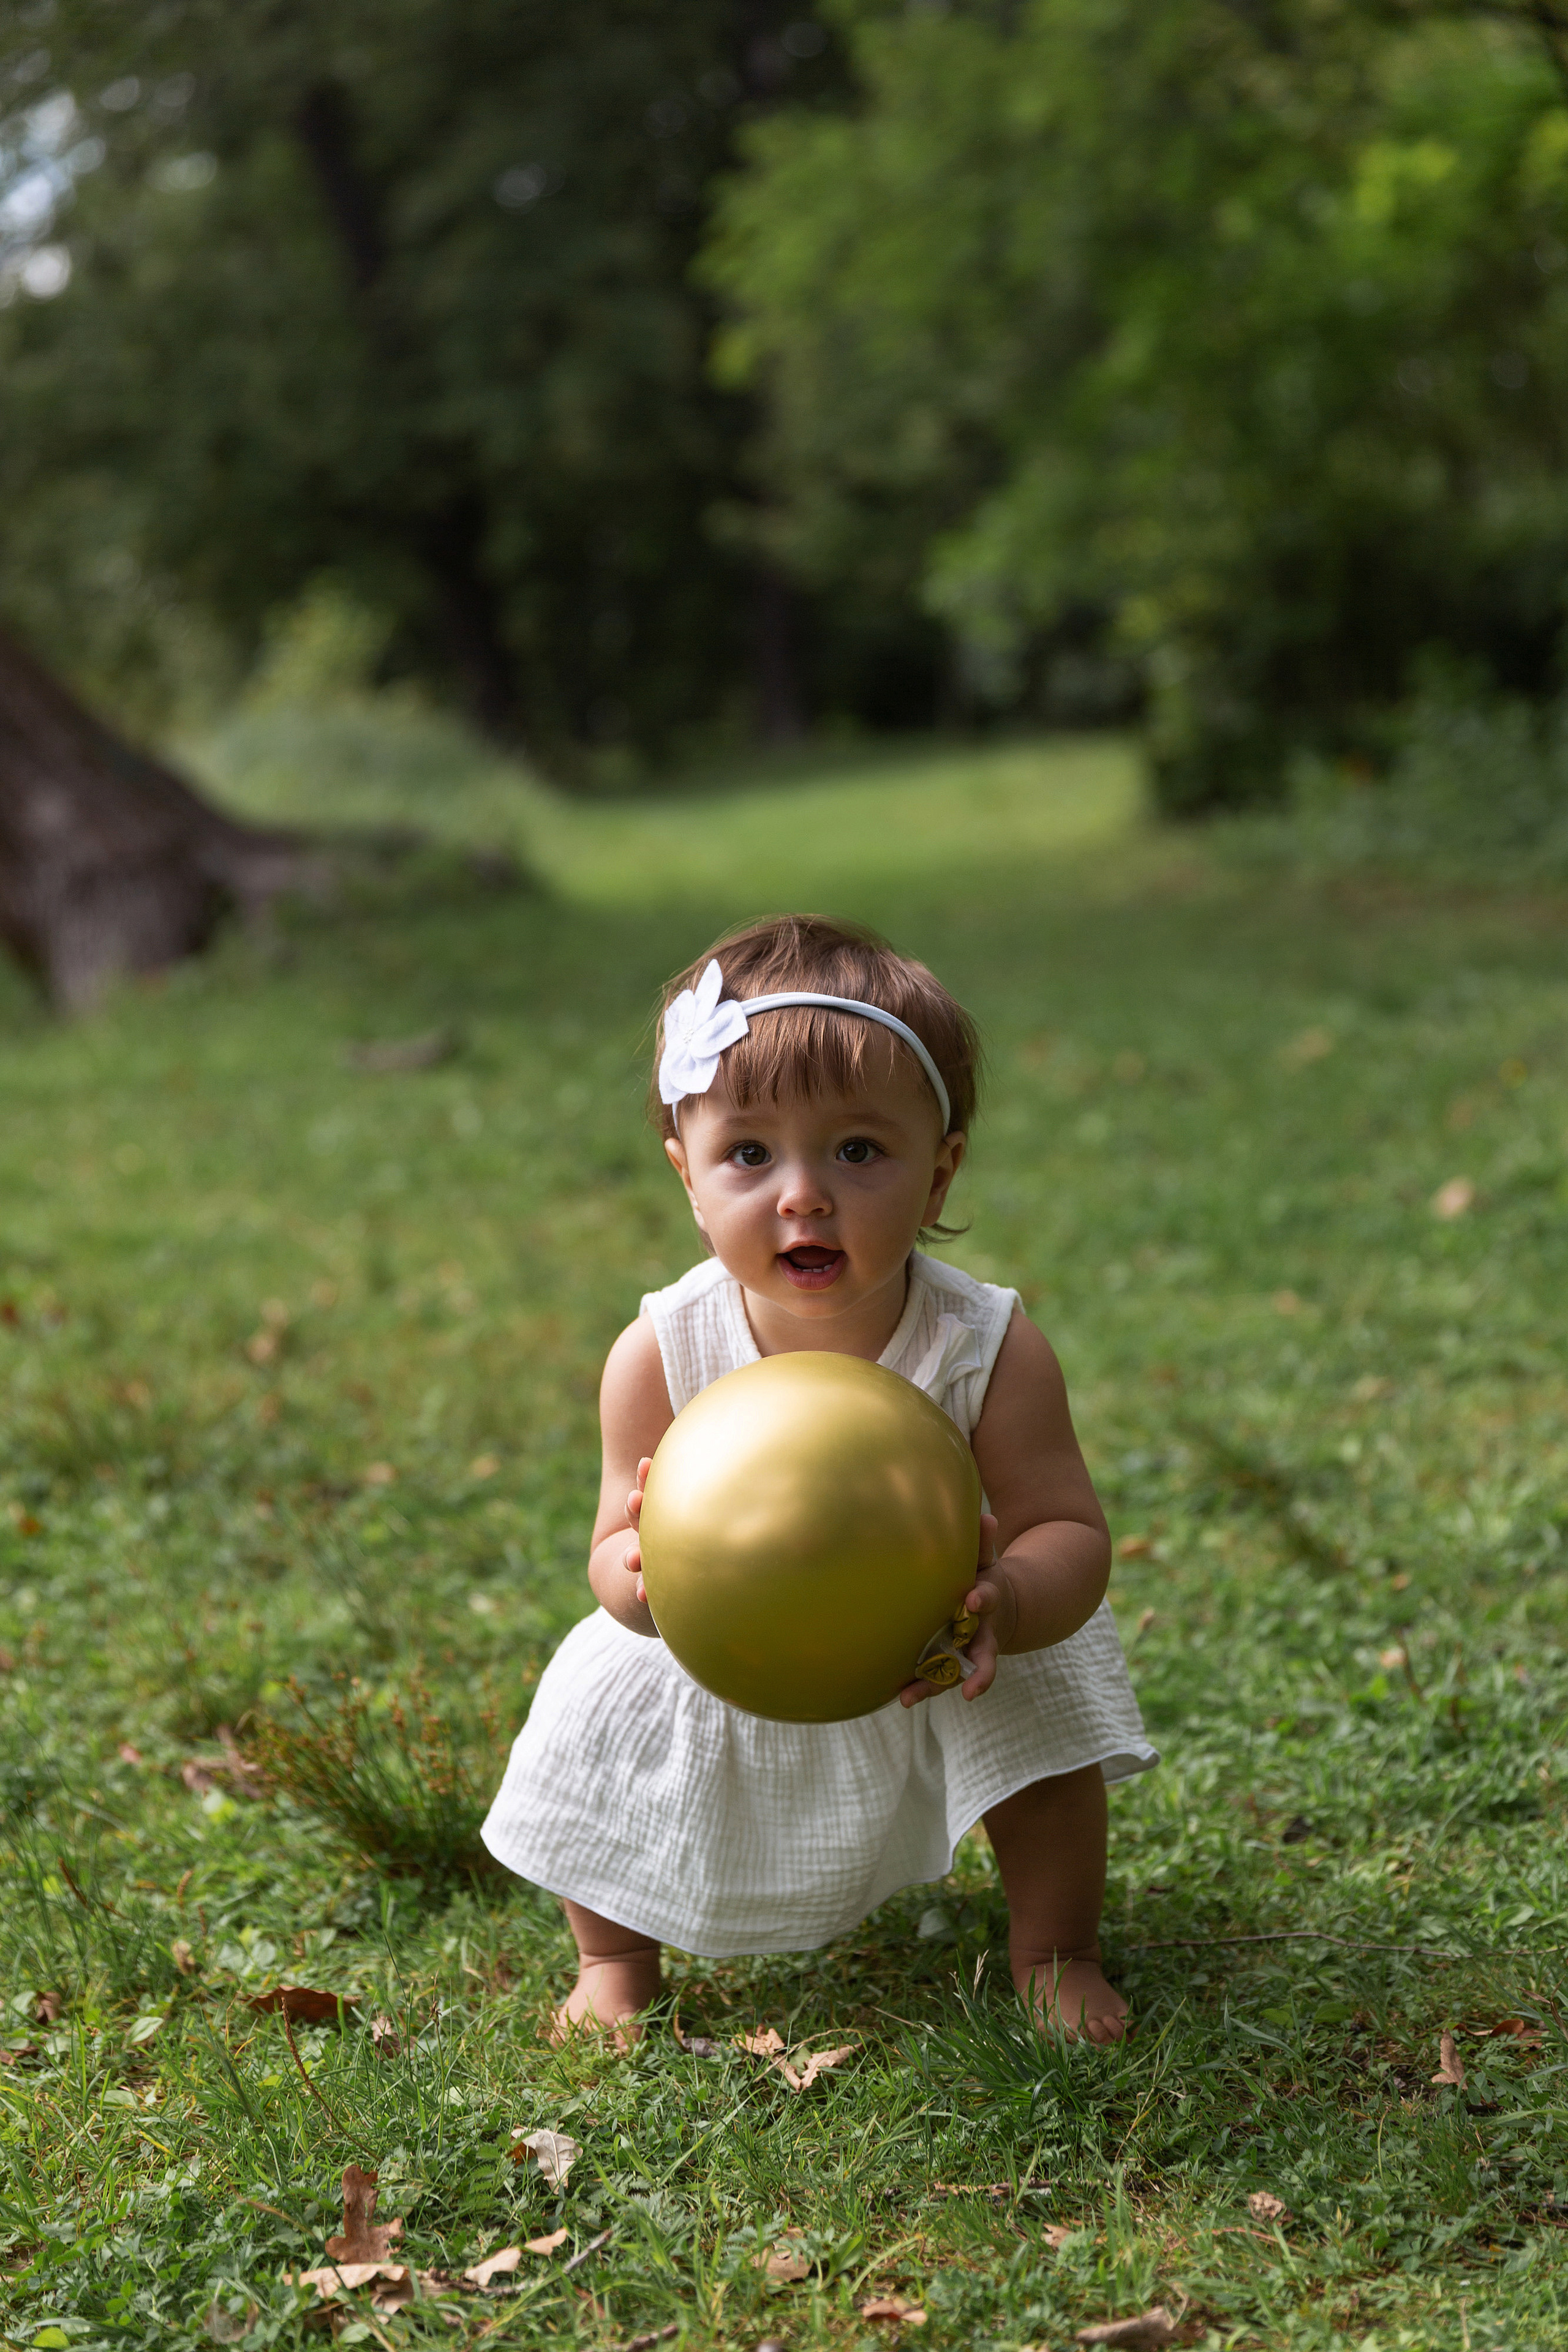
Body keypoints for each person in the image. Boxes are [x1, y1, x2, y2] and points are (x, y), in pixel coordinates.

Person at [482, 915, 1156, 2044]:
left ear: (940, 1168)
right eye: (749, 1155)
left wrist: (1017, 1599)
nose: (803, 1194)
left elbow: (1065, 1529)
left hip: (944, 1635)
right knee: (593, 1722)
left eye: (857, 1151)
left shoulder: (984, 1343)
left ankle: (1054, 1951)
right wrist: (640, 1580)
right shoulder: (661, 1349)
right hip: (717, 1634)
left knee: (1043, 1722)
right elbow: (610, 1540)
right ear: (687, 1179)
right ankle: (612, 1958)